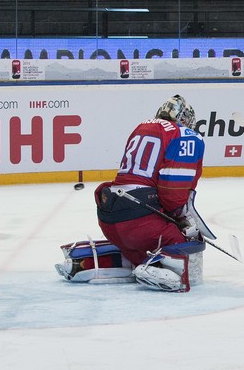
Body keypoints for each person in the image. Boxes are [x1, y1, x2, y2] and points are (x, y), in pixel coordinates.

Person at [56, 95, 209, 291]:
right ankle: (154, 267)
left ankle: (88, 262)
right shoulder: (186, 135)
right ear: (185, 119)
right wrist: (181, 219)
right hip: (140, 222)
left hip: (110, 218)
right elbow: (173, 193)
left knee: (137, 246)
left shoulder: (143, 126)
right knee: (181, 241)